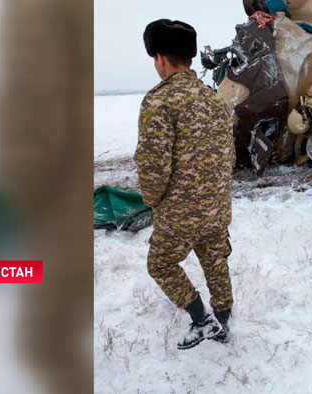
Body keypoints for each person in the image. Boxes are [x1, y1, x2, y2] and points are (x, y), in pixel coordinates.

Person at [134, 19, 236, 350]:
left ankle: (202, 320)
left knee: (161, 264)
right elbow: (229, 157)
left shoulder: (160, 101)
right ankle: (223, 322)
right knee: (216, 260)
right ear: (191, 58)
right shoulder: (215, 99)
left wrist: (153, 200)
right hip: (217, 206)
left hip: (180, 212)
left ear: (160, 58)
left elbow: (153, 166)